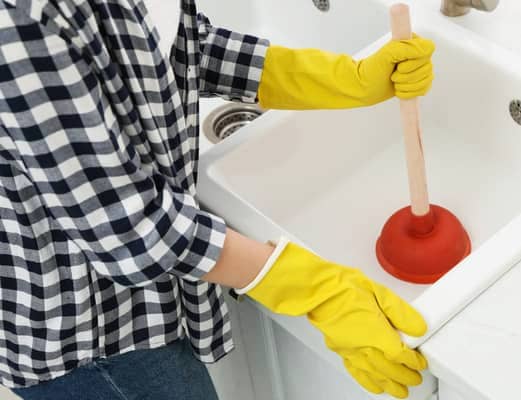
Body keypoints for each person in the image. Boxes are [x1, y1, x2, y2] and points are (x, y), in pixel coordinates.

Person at [0, 0, 435, 399]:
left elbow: (176, 47)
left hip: (147, 278)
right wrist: (316, 291)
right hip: (83, 326)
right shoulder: (19, 17)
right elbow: (125, 228)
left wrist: (342, 79)